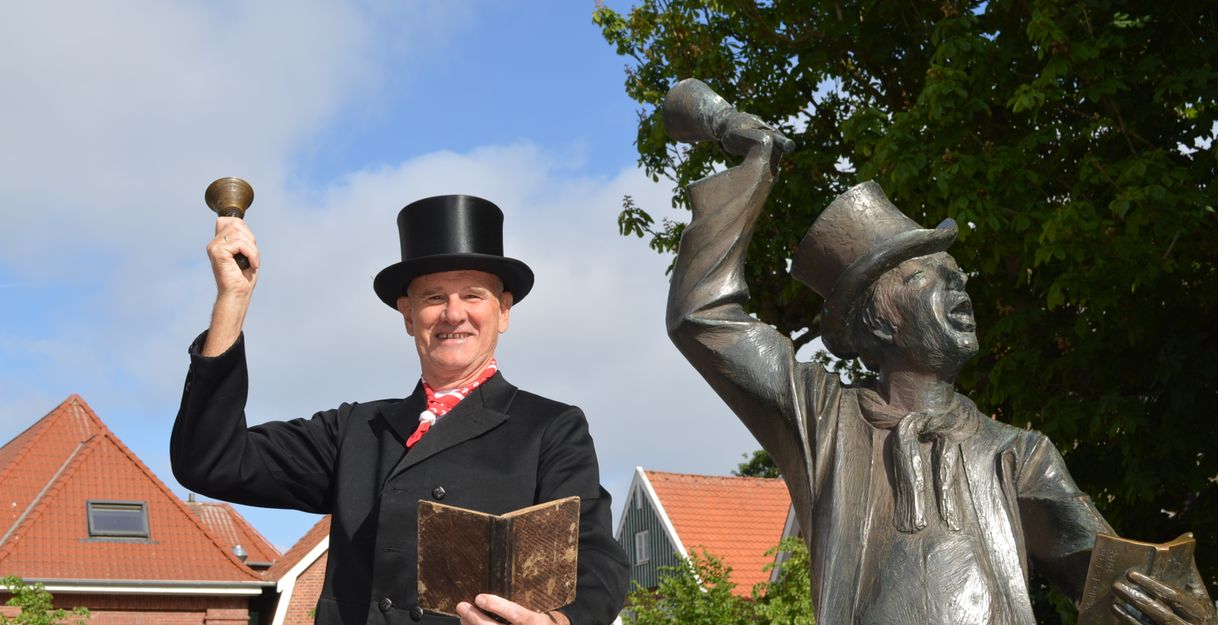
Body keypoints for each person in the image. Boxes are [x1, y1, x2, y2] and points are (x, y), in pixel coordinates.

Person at [664, 107, 1216, 624]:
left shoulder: (1019, 454)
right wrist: (748, 157)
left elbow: (1117, 588)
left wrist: (1178, 608)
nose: (958, 286)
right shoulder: (821, 418)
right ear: (880, 321)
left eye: (958, 275)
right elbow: (701, 315)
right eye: (926, 276)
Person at [172, 194, 629, 625]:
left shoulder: (551, 428)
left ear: (503, 311)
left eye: (473, 295)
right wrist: (233, 300)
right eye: (434, 297)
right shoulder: (356, 430)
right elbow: (210, 461)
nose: (453, 314)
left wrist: (556, 621)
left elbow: (596, 559)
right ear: (409, 315)